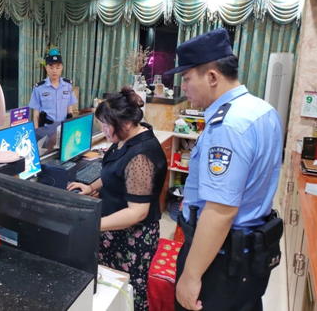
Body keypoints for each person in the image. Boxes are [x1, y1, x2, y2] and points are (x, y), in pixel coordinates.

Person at [164, 28, 283, 311]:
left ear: (212, 77)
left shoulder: (227, 126)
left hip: (219, 259)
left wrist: (191, 276)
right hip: (248, 254)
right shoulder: (262, 110)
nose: (183, 87)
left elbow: (220, 210)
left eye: (187, 78)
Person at [68, 87, 167, 311]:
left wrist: (94, 225)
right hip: (114, 230)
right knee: (109, 289)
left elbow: (137, 212)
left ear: (126, 123)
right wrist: (90, 187)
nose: (103, 129)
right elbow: (113, 172)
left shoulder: (141, 155)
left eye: (106, 124)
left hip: (132, 238)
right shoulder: (126, 138)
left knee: (127, 292)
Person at [29, 54, 77, 129]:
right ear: (46, 68)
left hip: (63, 126)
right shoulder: (39, 88)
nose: (54, 71)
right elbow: (36, 113)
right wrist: (36, 130)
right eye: (51, 68)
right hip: (46, 127)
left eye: (57, 68)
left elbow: (69, 107)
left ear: (62, 68)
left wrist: (69, 126)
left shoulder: (67, 85)